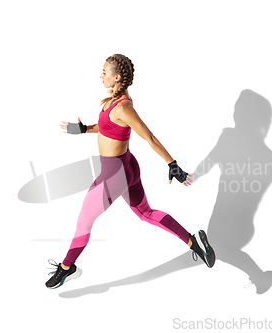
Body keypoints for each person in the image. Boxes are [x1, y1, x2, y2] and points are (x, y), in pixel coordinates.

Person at [46, 54, 215, 289]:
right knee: (145, 213)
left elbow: (150, 137)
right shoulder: (115, 101)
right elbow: (108, 128)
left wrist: (172, 165)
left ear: (116, 77)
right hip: (127, 167)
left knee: (83, 222)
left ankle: (67, 268)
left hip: (114, 175)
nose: (100, 75)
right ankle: (193, 241)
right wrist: (84, 129)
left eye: (104, 72)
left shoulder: (124, 107)